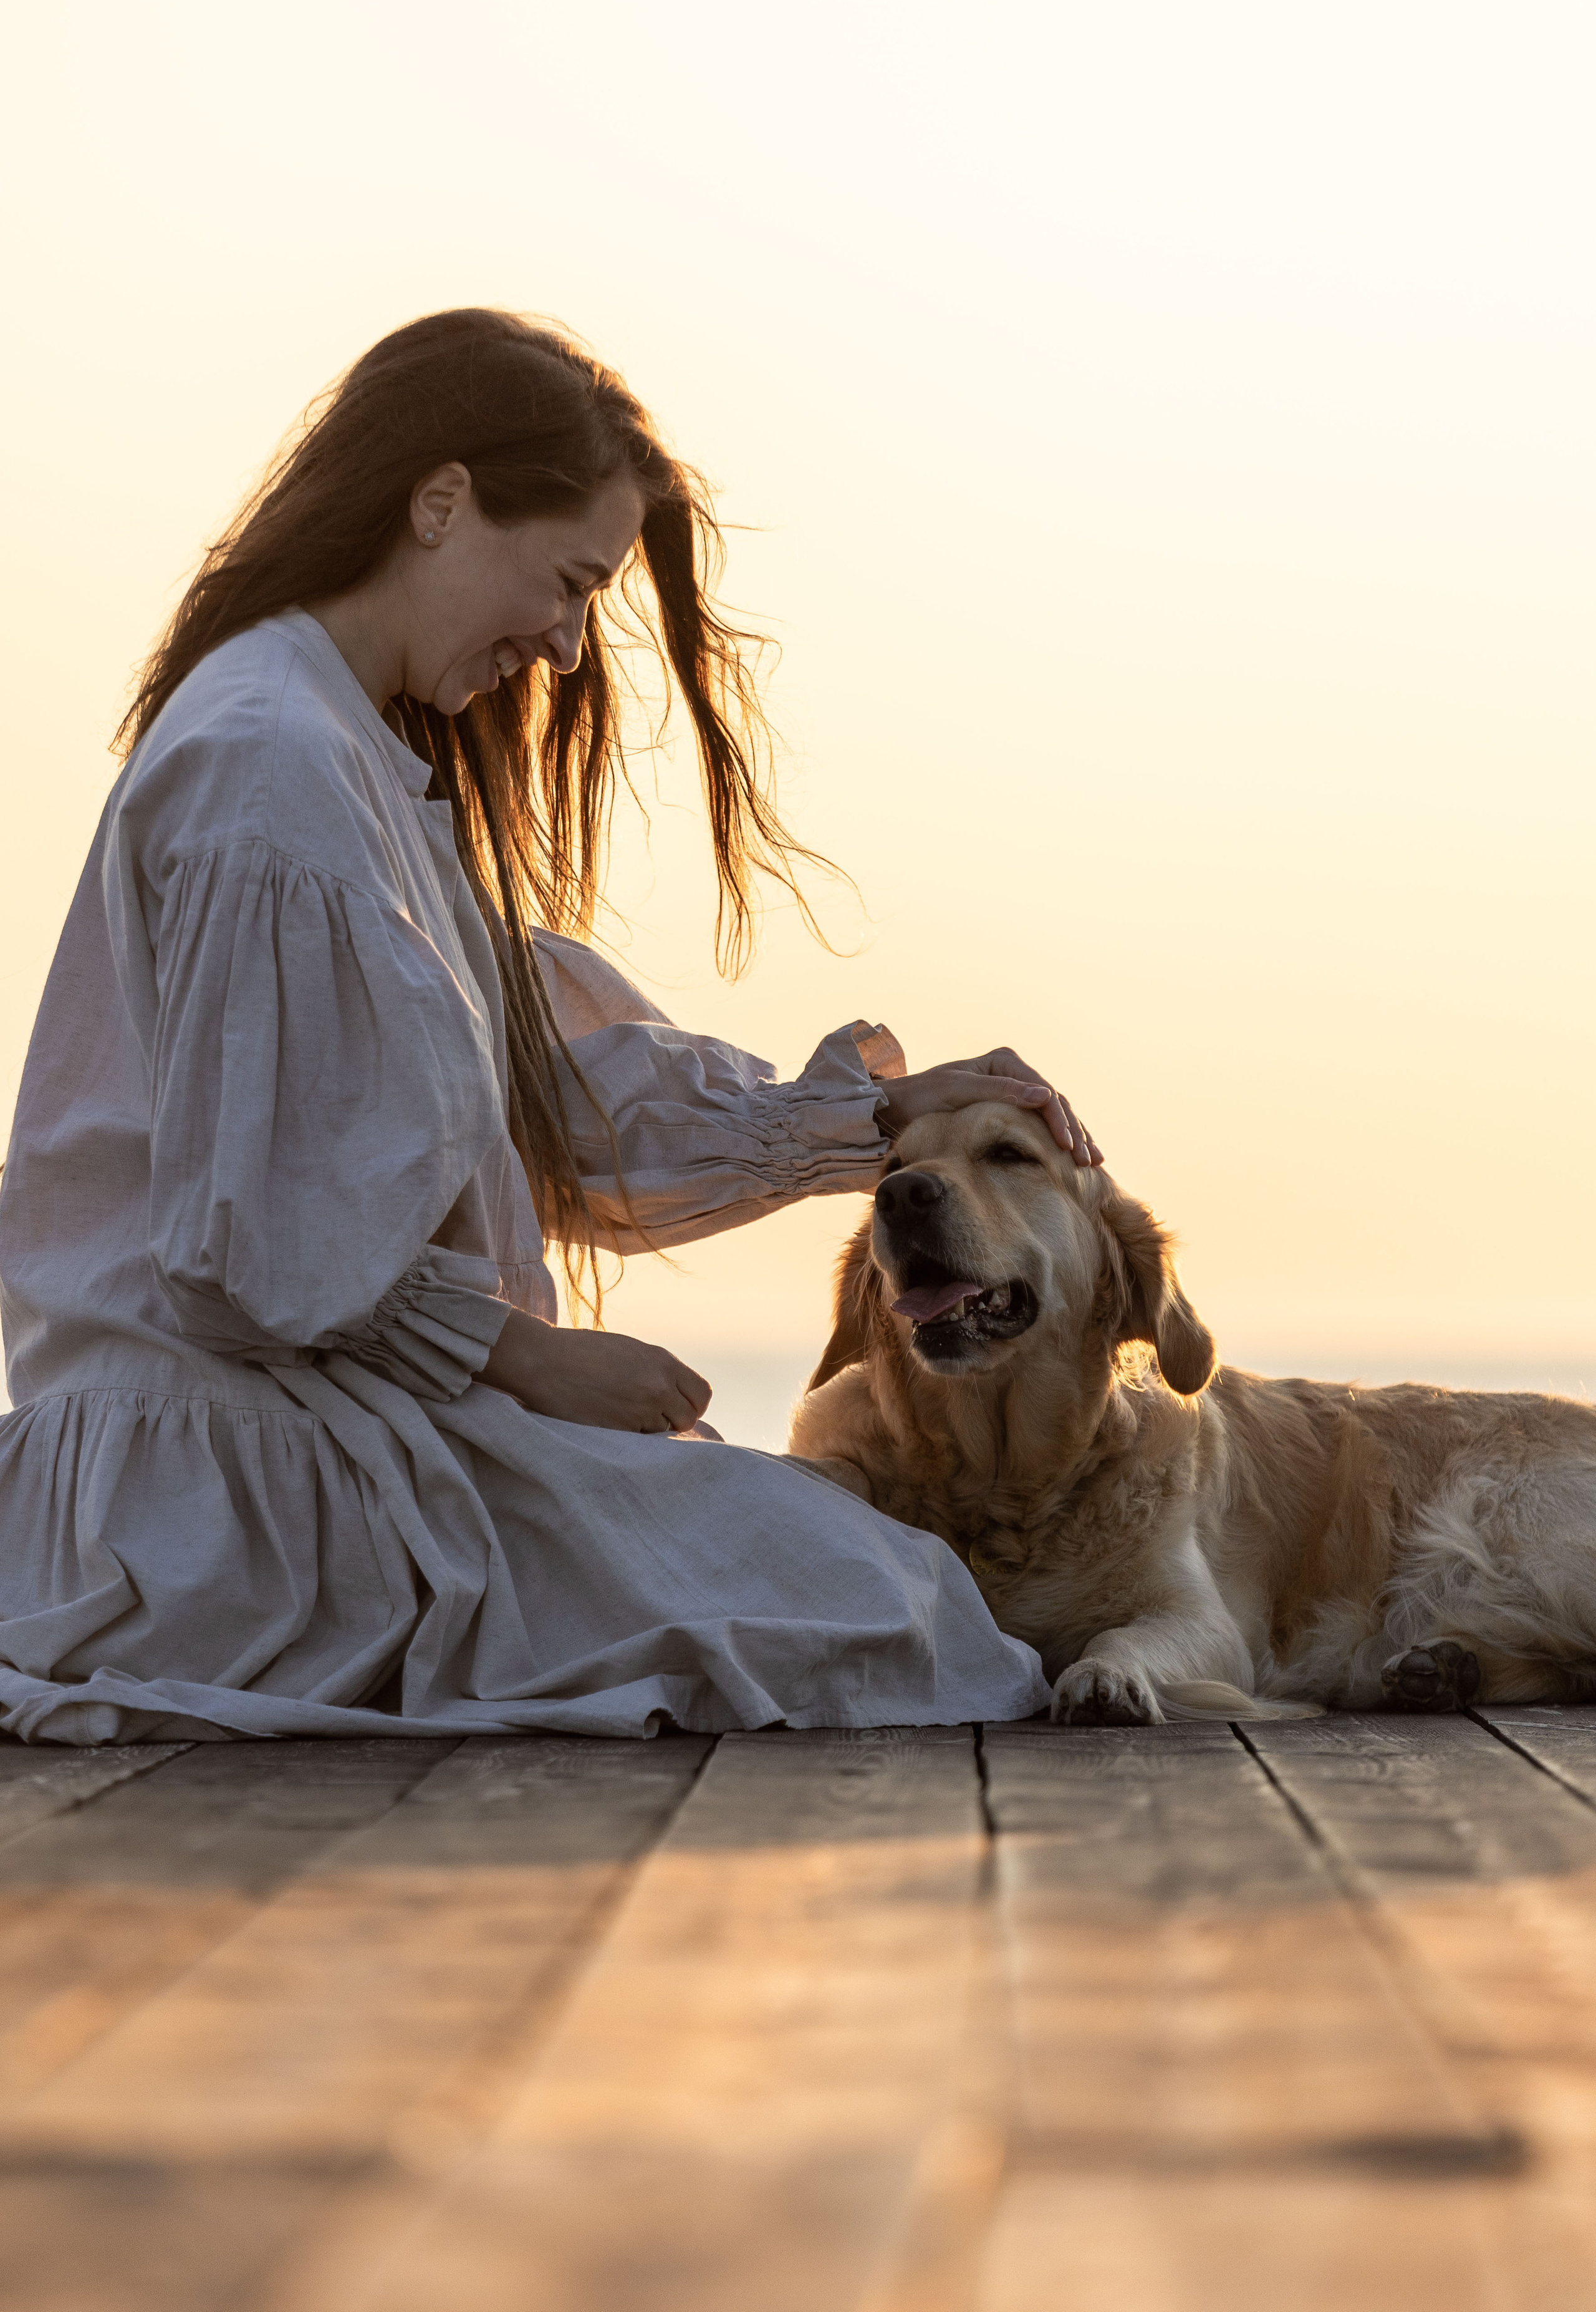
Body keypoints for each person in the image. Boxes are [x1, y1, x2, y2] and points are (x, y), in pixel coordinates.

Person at [0, 309, 1100, 1745]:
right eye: (572, 580)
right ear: (441, 501)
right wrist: (518, 1360)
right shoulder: (268, 770)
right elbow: (247, 1253)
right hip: (225, 1496)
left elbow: (532, 1108)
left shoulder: (343, 758)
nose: (572, 648)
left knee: (857, 1579)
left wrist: (877, 1120)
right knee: (884, 1613)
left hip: (309, 1444)